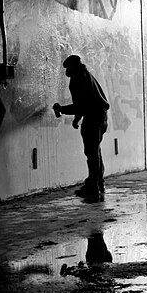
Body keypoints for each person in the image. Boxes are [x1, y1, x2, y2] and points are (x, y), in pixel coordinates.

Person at [53, 55, 110, 202]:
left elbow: (80, 105)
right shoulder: (87, 75)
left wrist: (61, 109)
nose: (66, 72)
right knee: (95, 150)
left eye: (68, 68)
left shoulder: (77, 79)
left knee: (91, 153)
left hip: (93, 117)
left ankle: (93, 187)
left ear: (72, 67)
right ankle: (99, 183)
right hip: (101, 116)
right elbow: (85, 102)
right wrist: (77, 118)